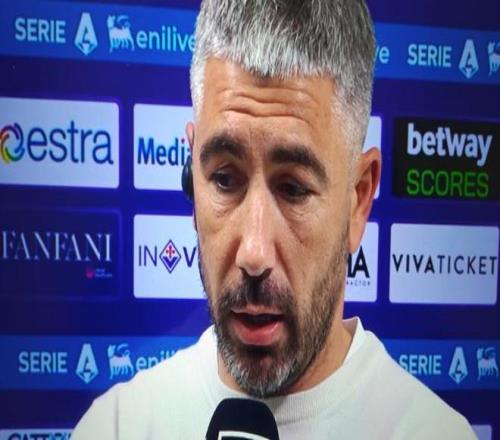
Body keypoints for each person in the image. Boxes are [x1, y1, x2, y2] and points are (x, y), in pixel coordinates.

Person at [73, 0, 476, 438]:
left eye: (294, 188)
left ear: (358, 200)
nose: (254, 253)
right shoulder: (116, 427)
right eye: (225, 179)